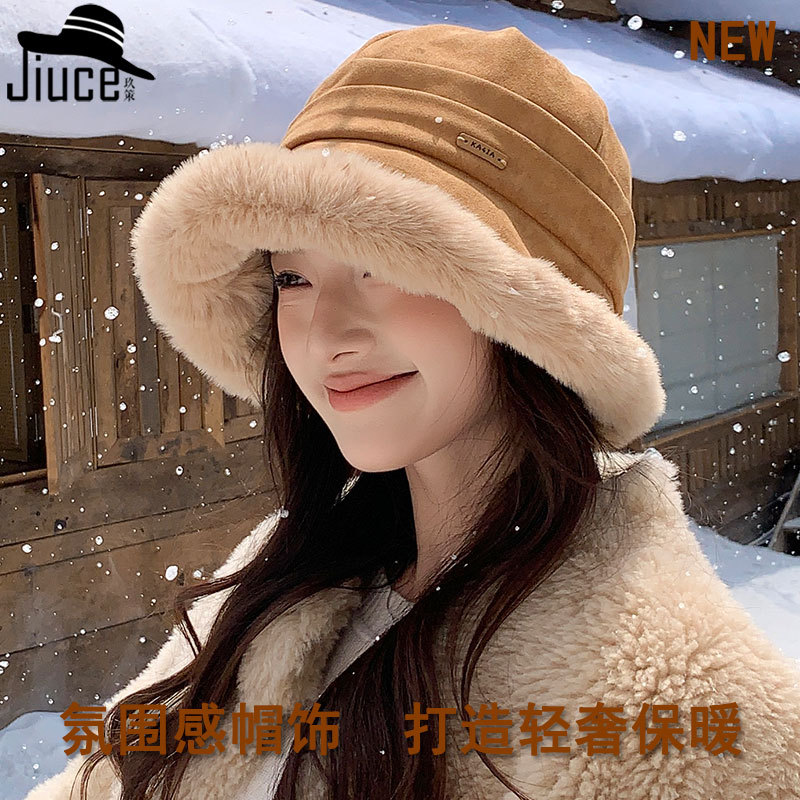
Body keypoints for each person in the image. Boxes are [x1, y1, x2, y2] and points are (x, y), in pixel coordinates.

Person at [24, 23, 800, 800]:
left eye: (383, 264)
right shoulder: (289, 571)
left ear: (531, 316)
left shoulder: (676, 710)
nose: (323, 335)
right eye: (292, 278)